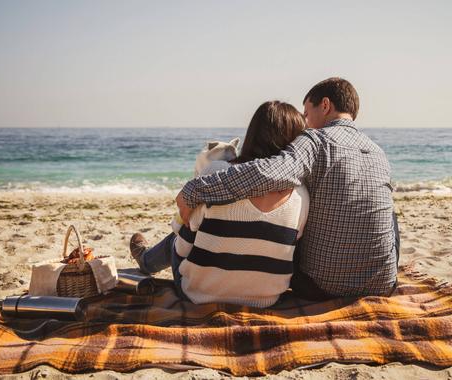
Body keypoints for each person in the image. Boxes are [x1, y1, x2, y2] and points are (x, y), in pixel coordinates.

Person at [176, 77, 400, 301]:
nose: (305, 122)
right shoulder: (377, 152)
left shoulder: (315, 139)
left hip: (320, 287)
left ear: (325, 105)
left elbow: (270, 173)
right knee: (389, 213)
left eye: (306, 113)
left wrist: (195, 190)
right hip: (382, 284)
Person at [130, 101, 310, 308]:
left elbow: (183, 246)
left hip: (200, 295)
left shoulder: (216, 173)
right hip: (265, 299)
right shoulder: (302, 194)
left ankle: (146, 261)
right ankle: (146, 259)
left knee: (182, 233)